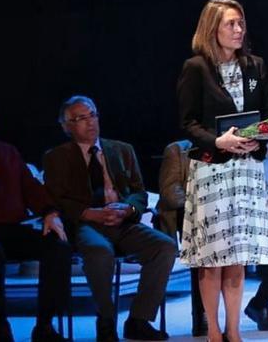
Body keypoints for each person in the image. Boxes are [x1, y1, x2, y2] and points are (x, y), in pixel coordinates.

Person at [176, 0, 268, 342]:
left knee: (237, 256)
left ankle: (234, 331)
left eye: (240, 23)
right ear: (212, 29)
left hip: (246, 171)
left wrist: (259, 139)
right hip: (213, 172)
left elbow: (265, 116)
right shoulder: (196, 68)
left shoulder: (255, 66)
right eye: (230, 24)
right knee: (212, 258)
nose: (238, 30)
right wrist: (218, 142)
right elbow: (188, 123)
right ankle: (214, 332)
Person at [42, 96, 177, 342]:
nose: (90, 122)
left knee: (165, 246)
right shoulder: (56, 157)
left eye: (92, 114)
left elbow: (139, 192)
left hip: (121, 221)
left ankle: (138, 320)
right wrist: (87, 212)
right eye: (80, 118)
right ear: (66, 126)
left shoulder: (122, 150)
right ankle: (105, 320)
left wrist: (128, 209)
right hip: (86, 224)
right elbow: (57, 198)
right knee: (99, 251)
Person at [157, 140, 268, 334]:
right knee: (214, 255)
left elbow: (264, 187)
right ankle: (207, 322)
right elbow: (169, 192)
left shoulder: (240, 148)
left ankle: (260, 302)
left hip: (242, 220)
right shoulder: (178, 151)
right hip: (201, 220)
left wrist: (264, 198)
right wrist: (200, 203)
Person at [0, 113, 69, 342]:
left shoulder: (7, 152)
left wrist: (50, 213)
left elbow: (32, 188)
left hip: (10, 228)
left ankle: (45, 325)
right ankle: (1, 326)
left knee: (58, 247)